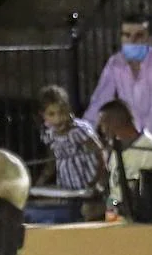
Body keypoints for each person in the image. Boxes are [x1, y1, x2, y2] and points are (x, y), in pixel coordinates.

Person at [81, 12, 152, 139]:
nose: (132, 41)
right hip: (130, 135)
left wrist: (142, 141)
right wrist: (84, 132)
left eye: (139, 36)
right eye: (127, 35)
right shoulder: (115, 62)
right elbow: (100, 100)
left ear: (150, 39)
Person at [33, 84, 104, 222]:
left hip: (87, 189)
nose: (58, 118)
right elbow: (53, 159)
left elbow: (100, 153)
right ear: (43, 115)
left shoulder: (79, 130)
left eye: (61, 112)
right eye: (52, 114)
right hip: (67, 190)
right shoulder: (49, 133)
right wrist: (39, 183)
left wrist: (97, 182)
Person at [95, 99, 152, 218]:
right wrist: (110, 206)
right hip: (117, 218)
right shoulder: (116, 151)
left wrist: (116, 207)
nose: (101, 130)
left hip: (145, 221)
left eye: (102, 124)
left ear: (113, 123)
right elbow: (114, 194)